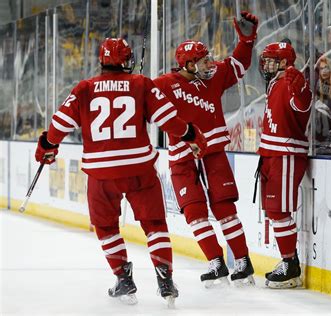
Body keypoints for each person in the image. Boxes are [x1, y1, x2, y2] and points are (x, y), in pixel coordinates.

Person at [34, 38, 206, 306]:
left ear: (102, 61)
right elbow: (168, 120)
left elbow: (59, 124)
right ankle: (165, 279)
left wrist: (47, 145)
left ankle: (124, 279)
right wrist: (191, 134)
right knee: (155, 225)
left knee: (105, 227)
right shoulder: (140, 83)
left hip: (101, 174)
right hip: (139, 168)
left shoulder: (85, 88)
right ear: (126, 61)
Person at [152, 11, 259, 287]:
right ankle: (216, 263)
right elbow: (141, 98)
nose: (210, 63)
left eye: (209, 58)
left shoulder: (215, 77)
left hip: (213, 151)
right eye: (203, 60)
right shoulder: (165, 84)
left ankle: (243, 262)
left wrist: (246, 41)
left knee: (225, 207)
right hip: (181, 156)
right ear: (187, 64)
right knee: (194, 212)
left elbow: (238, 64)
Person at [257, 41, 312, 288]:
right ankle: (288, 261)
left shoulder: (293, 82)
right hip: (269, 153)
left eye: (271, 60)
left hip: (286, 153)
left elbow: (303, 105)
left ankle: (290, 265)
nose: (265, 64)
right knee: (273, 211)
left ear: (284, 62)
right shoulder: (275, 83)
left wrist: (300, 89)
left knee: (279, 210)